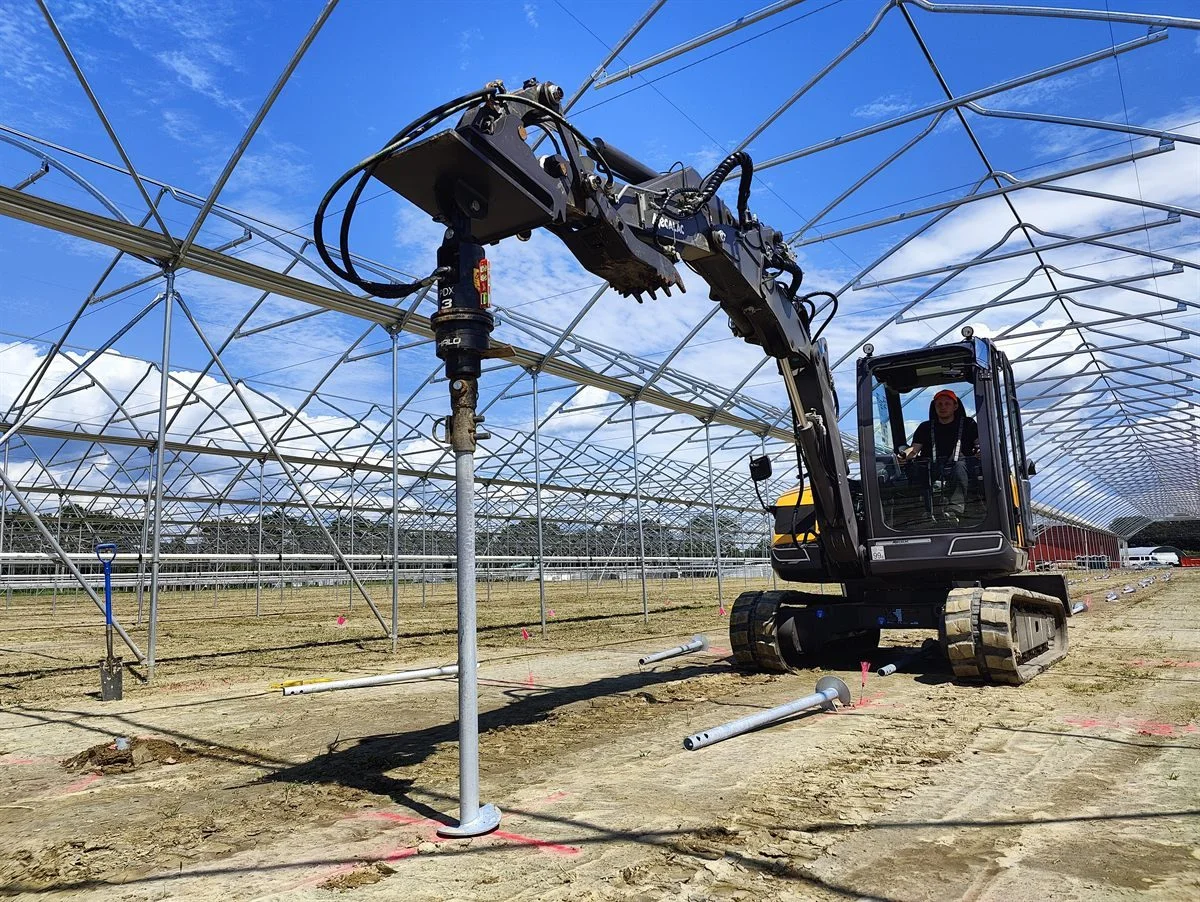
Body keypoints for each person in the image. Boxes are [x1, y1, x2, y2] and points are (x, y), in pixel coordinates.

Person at [897, 389, 979, 522]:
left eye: (947, 404)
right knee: (921, 469)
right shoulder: (925, 427)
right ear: (934, 407)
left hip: (961, 466)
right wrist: (903, 456)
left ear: (955, 406)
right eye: (939, 404)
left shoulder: (969, 424)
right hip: (933, 467)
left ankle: (955, 510)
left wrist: (981, 450)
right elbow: (914, 449)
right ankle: (924, 512)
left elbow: (979, 443)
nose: (943, 407)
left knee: (959, 466)